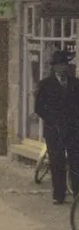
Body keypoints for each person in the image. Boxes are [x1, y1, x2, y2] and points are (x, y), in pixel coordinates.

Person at [34, 49, 79, 204]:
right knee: (57, 162)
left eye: (65, 64)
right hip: (54, 130)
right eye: (59, 65)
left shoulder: (75, 84)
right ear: (54, 67)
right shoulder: (45, 84)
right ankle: (59, 195)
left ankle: (77, 194)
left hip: (73, 130)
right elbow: (39, 107)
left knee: (75, 162)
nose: (63, 67)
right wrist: (52, 120)